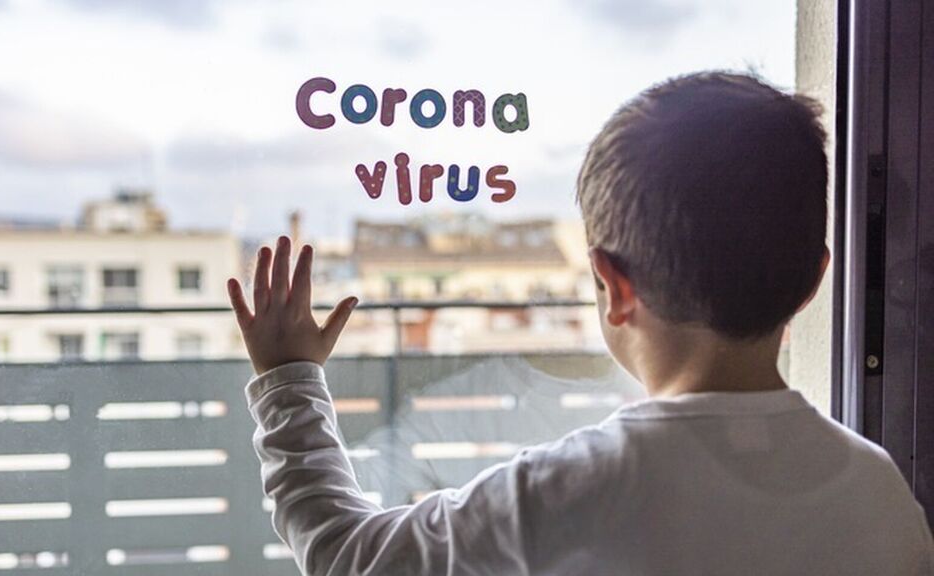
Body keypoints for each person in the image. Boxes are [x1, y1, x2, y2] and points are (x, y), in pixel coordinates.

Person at [226, 71, 934, 575]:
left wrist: (290, 379)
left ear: (612, 286)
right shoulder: (881, 495)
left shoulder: (559, 495)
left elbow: (345, 554)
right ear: (814, 280)